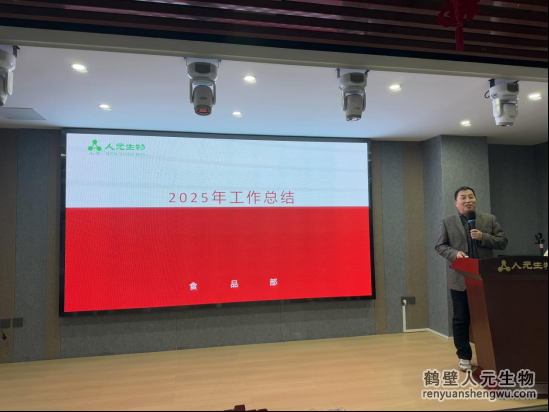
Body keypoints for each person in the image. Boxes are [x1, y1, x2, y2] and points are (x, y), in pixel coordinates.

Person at [435, 186, 508, 372]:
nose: (468, 200)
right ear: (456, 203)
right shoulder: (447, 222)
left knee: (489, 318)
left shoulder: (489, 219)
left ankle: (492, 355)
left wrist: (484, 237)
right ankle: (464, 356)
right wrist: (455, 254)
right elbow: (440, 246)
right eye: (463, 198)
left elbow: (502, 242)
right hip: (460, 279)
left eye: (471, 197)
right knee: (461, 319)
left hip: (486, 278)